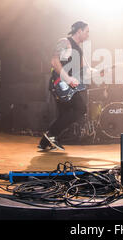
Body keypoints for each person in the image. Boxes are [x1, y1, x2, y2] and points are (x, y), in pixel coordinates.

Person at [38, 21, 91, 151]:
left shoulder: (79, 50)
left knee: (65, 114)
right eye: (87, 31)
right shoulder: (64, 42)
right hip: (61, 84)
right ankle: (51, 136)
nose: (88, 35)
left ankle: (45, 142)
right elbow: (54, 61)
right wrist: (68, 79)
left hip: (69, 87)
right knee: (80, 109)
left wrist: (105, 70)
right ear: (79, 31)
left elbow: (86, 70)